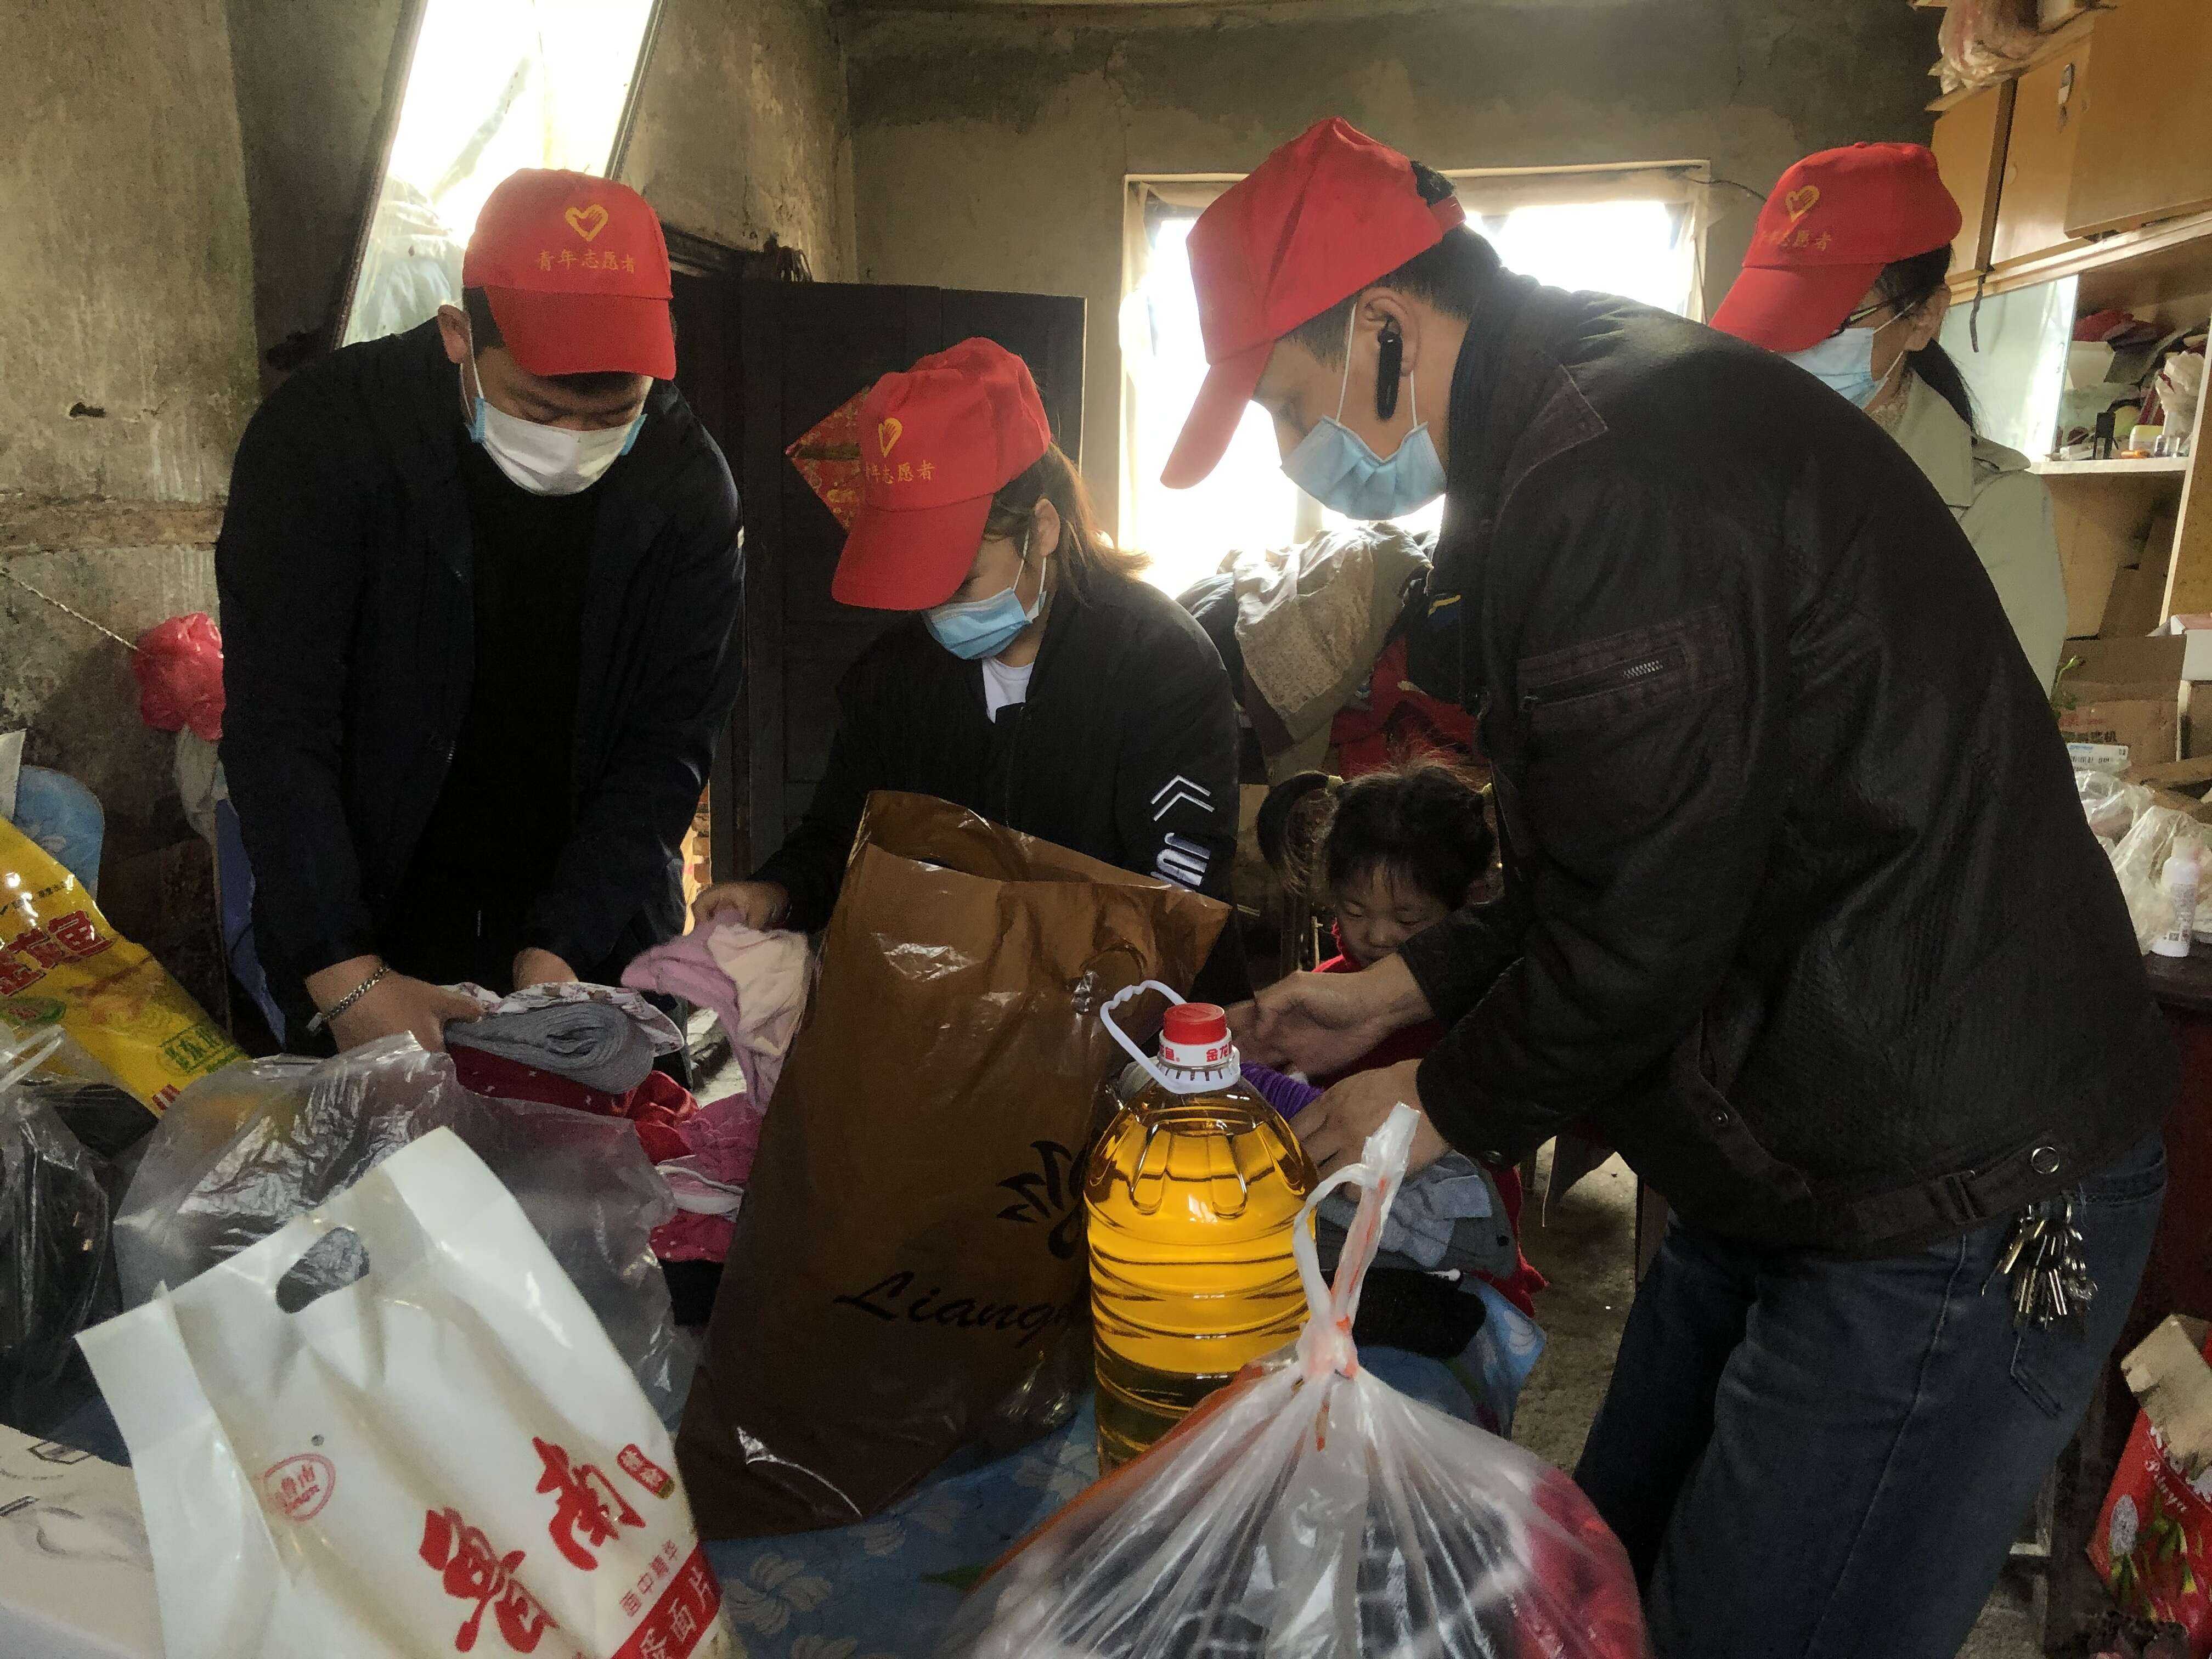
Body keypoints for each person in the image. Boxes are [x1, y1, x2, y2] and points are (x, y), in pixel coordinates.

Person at [1169, 118, 2171, 1658]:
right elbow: (1621, 854)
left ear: (1381, 329)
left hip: (1961, 1188)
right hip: (1795, 1139)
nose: (1295, 453)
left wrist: (1432, 1102)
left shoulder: (1607, 484)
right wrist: (1398, 985)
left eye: (1290, 404)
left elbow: (1638, 936)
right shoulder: (1556, 429)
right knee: (1606, 1582)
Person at [219, 170, 743, 1054]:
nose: (576, 446)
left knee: (599, 1177)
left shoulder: (687, 488)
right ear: (459, 334)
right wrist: (345, 973)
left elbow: (669, 742)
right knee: (381, 1182)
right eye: (541, 409)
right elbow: (281, 720)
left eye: (613, 417)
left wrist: (563, 951)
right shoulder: (326, 439)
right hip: (374, 920)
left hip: (587, 931)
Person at [693, 338, 1244, 1000]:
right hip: (956, 1022)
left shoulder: (1158, 665)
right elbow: (844, 833)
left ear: (1041, 529)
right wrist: (773, 893)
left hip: (1138, 1029)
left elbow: (1179, 895)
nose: (934, 610)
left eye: (958, 580)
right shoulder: (893, 677)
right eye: (915, 584)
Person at [1714, 142, 2067, 691]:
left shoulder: (1992, 510)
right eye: (1771, 325)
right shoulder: (1725, 464)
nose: (1792, 352)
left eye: (1829, 328)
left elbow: (1992, 738)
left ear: (1923, 317)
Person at [1258, 761, 1544, 1317]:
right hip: (1338, 1246)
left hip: (1460, 1250)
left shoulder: (1494, 1015)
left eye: (1410, 921)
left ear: (1469, 904)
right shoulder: (1320, 1000)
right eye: (1354, 910)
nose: (1378, 935)